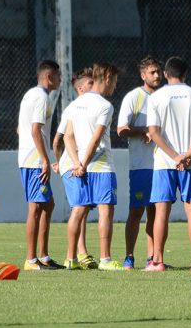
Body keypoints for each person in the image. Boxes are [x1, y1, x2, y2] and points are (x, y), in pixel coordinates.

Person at [146, 56, 191, 272]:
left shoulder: (156, 97)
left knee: (161, 212)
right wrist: (187, 154)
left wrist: (174, 156)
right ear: (185, 73)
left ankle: (157, 261)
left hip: (164, 162)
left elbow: (153, 132)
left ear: (165, 74)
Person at [62, 63, 124, 271]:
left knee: (78, 210)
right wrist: (85, 163)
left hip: (79, 165)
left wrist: (77, 163)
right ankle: (105, 259)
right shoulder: (105, 106)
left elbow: (68, 137)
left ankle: (70, 259)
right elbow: (96, 138)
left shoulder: (74, 105)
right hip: (101, 165)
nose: (114, 86)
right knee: (105, 210)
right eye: (114, 81)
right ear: (106, 79)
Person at [18, 60, 64, 270]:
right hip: (34, 161)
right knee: (36, 207)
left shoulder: (30, 94)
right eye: (58, 76)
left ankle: (43, 256)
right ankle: (31, 260)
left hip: (31, 158)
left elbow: (20, 129)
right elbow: (35, 130)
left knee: (48, 204)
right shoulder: (41, 97)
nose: (60, 80)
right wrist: (45, 159)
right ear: (49, 77)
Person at [117, 57, 162, 270]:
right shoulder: (133, 97)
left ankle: (153, 258)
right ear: (143, 75)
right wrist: (145, 130)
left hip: (162, 164)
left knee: (156, 211)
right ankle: (129, 256)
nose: (157, 75)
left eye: (159, 71)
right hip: (141, 165)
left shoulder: (165, 97)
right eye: (152, 72)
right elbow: (121, 129)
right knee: (137, 211)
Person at [52, 67, 98, 269]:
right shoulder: (72, 108)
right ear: (80, 88)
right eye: (90, 84)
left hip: (81, 164)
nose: (94, 86)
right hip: (73, 166)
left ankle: (81, 253)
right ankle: (71, 257)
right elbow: (58, 140)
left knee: (83, 208)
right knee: (79, 208)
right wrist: (60, 162)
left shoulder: (93, 107)